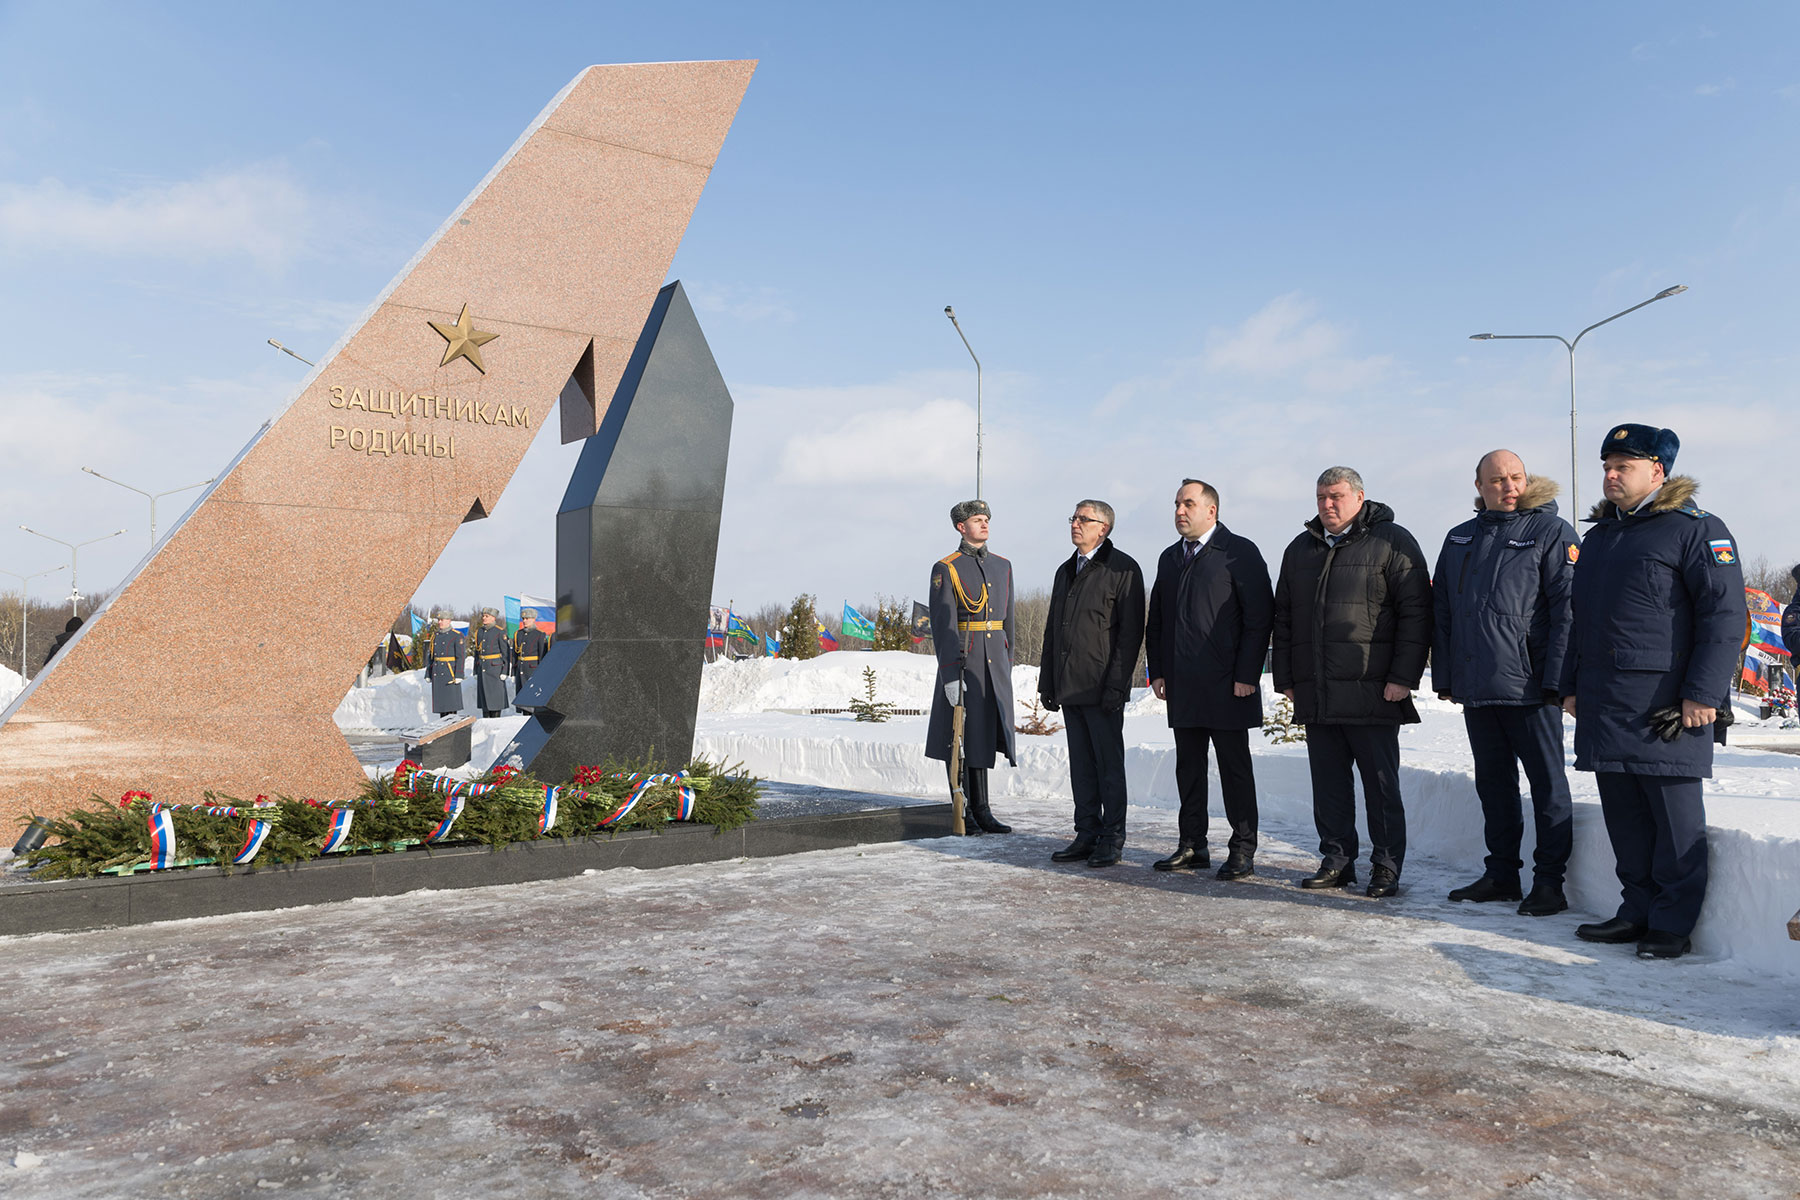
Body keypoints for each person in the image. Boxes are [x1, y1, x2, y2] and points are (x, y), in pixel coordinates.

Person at [1560, 424, 1746, 960]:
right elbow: (1579, 620)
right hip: (1607, 702)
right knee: (1626, 820)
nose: (1610, 475)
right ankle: (1636, 911)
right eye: (1606, 466)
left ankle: (1671, 925)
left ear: (1657, 471)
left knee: (1675, 823)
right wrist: (1570, 685)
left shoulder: (1697, 530)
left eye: (1623, 466)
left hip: (1667, 707)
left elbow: (1724, 618)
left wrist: (1703, 694)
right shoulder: (1601, 537)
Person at [1272, 466, 1432, 899]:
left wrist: (1403, 677)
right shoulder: (1300, 549)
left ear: (1360, 498)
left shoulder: (1392, 542)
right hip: (1318, 690)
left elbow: (1416, 614)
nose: (1327, 504)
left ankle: (1386, 866)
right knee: (1329, 785)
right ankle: (1337, 860)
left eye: (1336, 496)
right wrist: (1287, 678)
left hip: (1373, 689)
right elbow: (1284, 618)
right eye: (1321, 497)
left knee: (1381, 786)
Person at [1432, 450, 1579, 917]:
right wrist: (1447, 677)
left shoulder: (1551, 531)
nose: (1509, 487)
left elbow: (1568, 612)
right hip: (1478, 687)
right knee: (1494, 786)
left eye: (1516, 477)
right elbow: (1443, 613)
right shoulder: (1459, 537)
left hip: (1531, 689)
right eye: (1497, 480)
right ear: (1479, 486)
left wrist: (1557, 681)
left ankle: (1549, 883)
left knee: (1547, 787)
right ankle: (1501, 875)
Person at [1144, 479, 1274, 880]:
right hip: (1183, 683)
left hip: (1228, 684)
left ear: (1211, 510)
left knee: (1235, 770)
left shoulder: (1239, 552)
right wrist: (1157, 670)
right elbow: (1157, 620)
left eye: (1188, 504)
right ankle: (1192, 844)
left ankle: (1243, 849)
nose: (1180, 511)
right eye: (1176, 504)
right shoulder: (1170, 558)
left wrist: (1247, 674)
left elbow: (1259, 619)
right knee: (1189, 768)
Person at [1038, 499, 1146, 868]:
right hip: (1070, 686)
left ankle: (1112, 838)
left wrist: (1117, 685)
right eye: (1074, 517)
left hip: (1102, 688)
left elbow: (1130, 635)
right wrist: (1048, 681)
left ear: (1104, 528)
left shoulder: (1122, 569)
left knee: (1108, 766)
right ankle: (1086, 833)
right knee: (1082, 768)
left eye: (1084, 519)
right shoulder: (1065, 570)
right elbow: (1053, 630)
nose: (1076, 523)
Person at [925, 499, 1016, 835]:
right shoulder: (946, 568)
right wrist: (950, 674)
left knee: (983, 735)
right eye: (977, 520)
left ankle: (984, 809)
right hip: (966, 661)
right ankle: (964, 810)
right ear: (961, 527)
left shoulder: (1002, 566)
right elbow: (944, 624)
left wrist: (1007, 663)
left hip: (993, 663)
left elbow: (1008, 622)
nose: (984, 523)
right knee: (960, 737)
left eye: (986, 518)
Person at [472, 607, 512, 718]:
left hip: (495, 670)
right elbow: (477, 653)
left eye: (487, 616)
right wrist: (475, 670)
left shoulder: (499, 632)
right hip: (482, 668)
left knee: (495, 699)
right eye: (483, 616)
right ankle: (486, 721)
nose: (484, 618)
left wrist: (505, 671)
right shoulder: (479, 632)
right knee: (484, 699)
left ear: (493, 618)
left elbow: (505, 653)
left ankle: (495, 721)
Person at [426, 611, 466, 717]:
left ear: (449, 620)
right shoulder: (435, 636)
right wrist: (428, 673)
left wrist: (459, 674)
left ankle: (452, 726)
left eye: (442, 620)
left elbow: (461, 657)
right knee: (441, 705)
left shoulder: (456, 635)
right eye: (439, 620)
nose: (439, 622)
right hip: (438, 672)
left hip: (450, 672)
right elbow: (431, 656)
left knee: (451, 704)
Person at [514, 608, 551, 688]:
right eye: (523, 618)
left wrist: (542, 672)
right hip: (520, 670)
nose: (524, 621)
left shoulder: (539, 634)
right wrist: (513, 672)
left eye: (527, 618)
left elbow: (542, 655)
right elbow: (515, 655)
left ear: (534, 619)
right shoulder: (518, 634)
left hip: (532, 670)